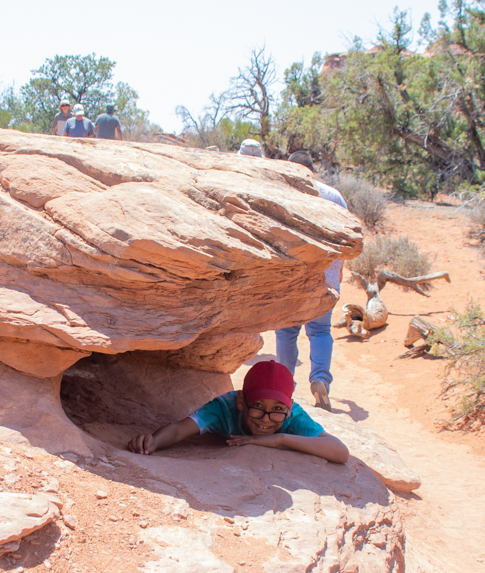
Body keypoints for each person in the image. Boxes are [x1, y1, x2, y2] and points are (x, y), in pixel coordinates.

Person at [127, 360, 349, 463]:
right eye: (258, 407)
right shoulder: (225, 408)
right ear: (241, 401)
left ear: (289, 407)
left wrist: (280, 438)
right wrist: (153, 441)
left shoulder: (292, 417)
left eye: (278, 410)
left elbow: (340, 452)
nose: (266, 420)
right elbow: (178, 430)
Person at [275, 151, 348, 412]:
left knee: (286, 332)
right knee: (319, 331)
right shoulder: (334, 196)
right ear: (312, 170)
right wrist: (338, 272)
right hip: (326, 277)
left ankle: (282, 388)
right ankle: (320, 379)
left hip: (291, 279)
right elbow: (347, 238)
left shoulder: (284, 194)